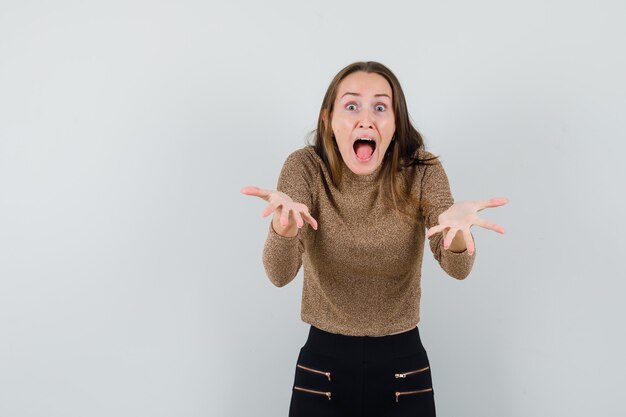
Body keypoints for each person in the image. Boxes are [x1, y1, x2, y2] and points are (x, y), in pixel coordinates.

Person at [241, 61, 507, 417]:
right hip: (323, 367)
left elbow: (458, 268)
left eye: (381, 107)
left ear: (396, 123)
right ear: (328, 120)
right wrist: (284, 230)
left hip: (403, 367)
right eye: (351, 106)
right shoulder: (305, 168)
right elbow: (279, 274)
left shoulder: (422, 170)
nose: (366, 119)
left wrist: (457, 235)